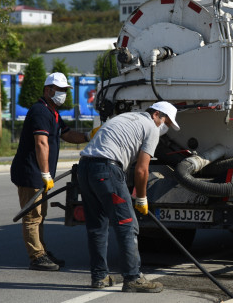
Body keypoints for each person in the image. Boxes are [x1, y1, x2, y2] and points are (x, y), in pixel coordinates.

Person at [77, 101, 180, 292]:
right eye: (165, 120)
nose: (164, 126)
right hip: (107, 170)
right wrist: (142, 198)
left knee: (97, 226)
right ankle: (133, 278)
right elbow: (141, 170)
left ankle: (99, 277)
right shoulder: (151, 127)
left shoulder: (124, 118)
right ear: (157, 114)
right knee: (127, 224)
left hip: (84, 168)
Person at [11, 72, 91, 271]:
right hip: (31, 173)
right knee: (32, 216)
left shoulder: (52, 112)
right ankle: (36, 256)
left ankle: (42, 251)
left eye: (65, 90)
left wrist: (89, 135)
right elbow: (41, 142)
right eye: (60, 90)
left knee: (40, 215)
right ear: (48, 90)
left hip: (40, 174)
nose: (63, 94)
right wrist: (45, 173)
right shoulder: (40, 111)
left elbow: (67, 134)